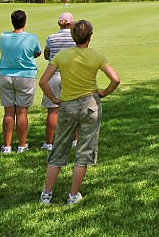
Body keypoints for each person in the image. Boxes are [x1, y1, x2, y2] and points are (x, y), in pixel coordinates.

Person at [38, 19, 120, 205]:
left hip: (67, 105)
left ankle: (46, 194)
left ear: (73, 36)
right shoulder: (97, 56)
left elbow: (43, 81)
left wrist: (54, 99)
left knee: (59, 148)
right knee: (84, 150)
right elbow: (115, 79)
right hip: (91, 104)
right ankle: (73, 195)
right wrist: (104, 93)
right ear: (90, 37)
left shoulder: (62, 56)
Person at [0, 9, 42, 153]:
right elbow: (37, 52)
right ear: (24, 21)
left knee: (9, 112)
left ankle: (7, 146)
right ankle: (22, 145)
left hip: (5, 76)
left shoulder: (3, 37)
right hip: (25, 76)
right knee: (22, 112)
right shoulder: (32, 37)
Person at [41, 12, 77, 151]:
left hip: (53, 76)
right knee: (73, 110)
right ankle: (74, 140)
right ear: (71, 23)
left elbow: (46, 55)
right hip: (71, 77)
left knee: (53, 111)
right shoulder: (75, 37)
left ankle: (49, 143)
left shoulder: (51, 37)